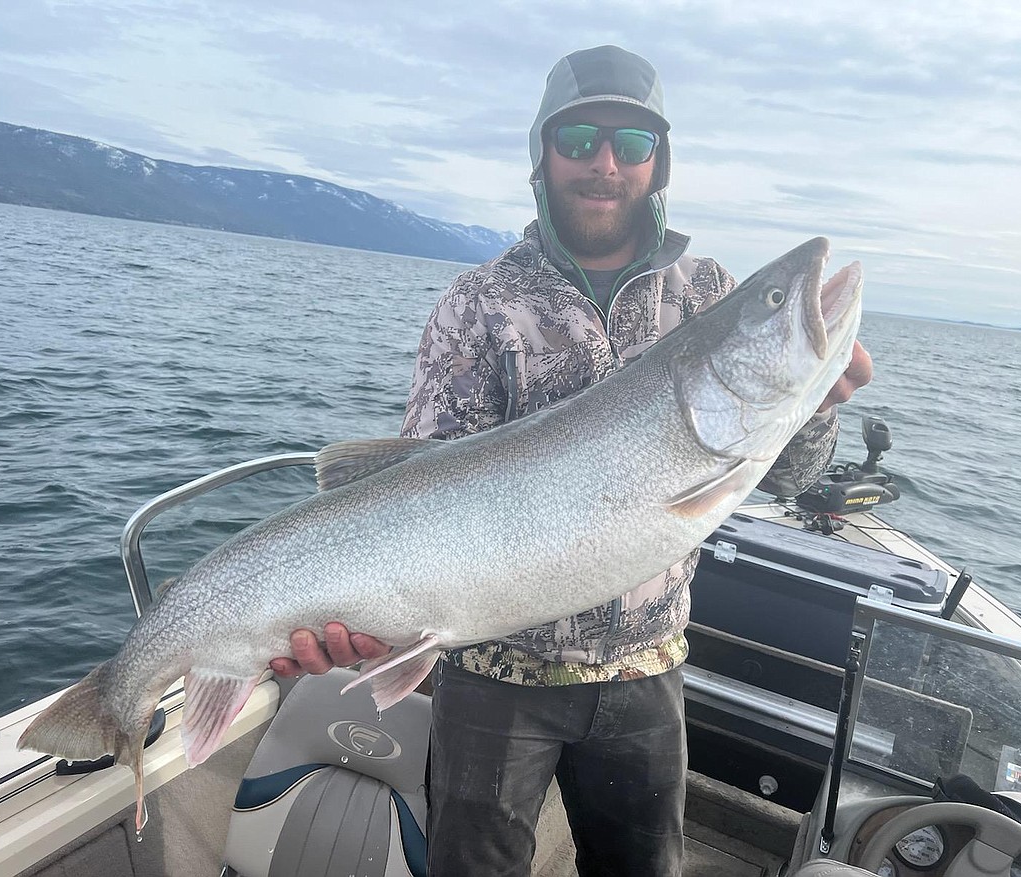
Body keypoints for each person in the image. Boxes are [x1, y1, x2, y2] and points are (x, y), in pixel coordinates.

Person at [271, 44, 873, 876]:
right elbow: (417, 491)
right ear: (542, 153)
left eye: (632, 145)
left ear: (658, 164)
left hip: (646, 670)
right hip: (491, 675)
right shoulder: (480, 303)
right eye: (581, 137)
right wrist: (367, 619)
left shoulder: (706, 295)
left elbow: (789, 476)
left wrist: (817, 402)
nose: (605, 163)